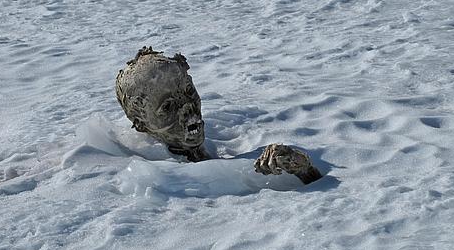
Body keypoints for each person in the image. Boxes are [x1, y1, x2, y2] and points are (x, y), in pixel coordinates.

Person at [115, 47, 322, 184]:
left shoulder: (219, 142)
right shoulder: (154, 179)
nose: (188, 108)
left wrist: (299, 166)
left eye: (189, 92)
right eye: (168, 107)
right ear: (141, 124)